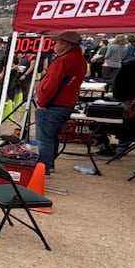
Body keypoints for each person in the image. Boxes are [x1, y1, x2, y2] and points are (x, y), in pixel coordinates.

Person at [34, 31, 88, 176]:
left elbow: (52, 84)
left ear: (65, 44)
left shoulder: (64, 60)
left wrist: (42, 102)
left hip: (53, 104)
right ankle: (49, 163)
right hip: (66, 104)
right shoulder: (79, 59)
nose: (54, 45)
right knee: (52, 135)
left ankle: (44, 166)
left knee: (44, 136)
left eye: (57, 43)